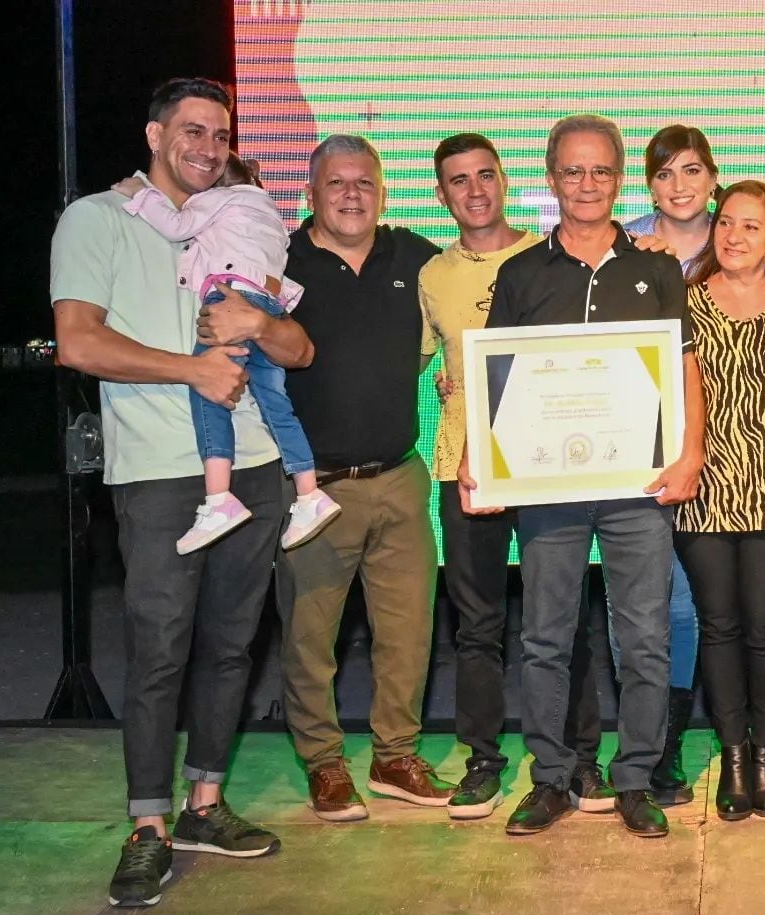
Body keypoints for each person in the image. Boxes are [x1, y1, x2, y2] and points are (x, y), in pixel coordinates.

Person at [51, 77, 304, 908]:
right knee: (159, 651)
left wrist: (258, 327)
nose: (208, 146)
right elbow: (79, 341)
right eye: (192, 131)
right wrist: (190, 368)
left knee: (232, 647)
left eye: (220, 134)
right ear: (156, 133)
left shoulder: (240, 216)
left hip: (257, 470)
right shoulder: (98, 218)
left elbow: (296, 344)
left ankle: (204, 804)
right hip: (161, 474)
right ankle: (148, 826)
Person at [460, 113, 705, 839]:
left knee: (646, 638)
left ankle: (634, 779)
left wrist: (690, 453)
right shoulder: (520, 274)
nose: (587, 184)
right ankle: (552, 778)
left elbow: (685, 371)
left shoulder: (657, 268)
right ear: (552, 178)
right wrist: (481, 454)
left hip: (640, 486)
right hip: (548, 488)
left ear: (618, 178)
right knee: (544, 636)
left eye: (600, 171)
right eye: (573, 170)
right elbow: (492, 381)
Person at [265, 134, 454, 821]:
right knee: (310, 638)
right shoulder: (279, 261)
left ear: (383, 192)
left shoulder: (415, 256)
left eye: (365, 184)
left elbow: (488, 276)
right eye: (337, 184)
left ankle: (396, 757)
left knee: (409, 633)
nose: (352, 195)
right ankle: (323, 762)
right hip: (315, 492)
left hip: (402, 476)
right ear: (310, 194)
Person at [419, 132, 608, 820]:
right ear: (442, 195)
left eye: (486, 176)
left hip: (546, 467)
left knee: (561, 623)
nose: (475, 190)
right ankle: (483, 761)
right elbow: (407, 357)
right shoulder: (432, 275)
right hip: (461, 467)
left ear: (506, 181)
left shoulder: (550, 255)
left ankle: (579, 758)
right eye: (459, 181)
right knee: (477, 626)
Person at [111, 153, 340, 555]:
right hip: (266, 303)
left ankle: (219, 499)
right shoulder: (269, 212)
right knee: (276, 404)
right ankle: (309, 494)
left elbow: (175, 224)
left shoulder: (223, 198)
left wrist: (140, 195)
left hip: (232, 299)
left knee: (209, 390)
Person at [674, 181, 765, 820]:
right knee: (719, 624)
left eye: (751, 227)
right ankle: (733, 754)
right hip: (703, 489)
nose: (733, 236)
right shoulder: (683, 304)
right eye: (726, 223)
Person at [613, 124, 722, 805]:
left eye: (691, 170)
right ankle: (651, 746)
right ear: (647, 184)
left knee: (701, 612)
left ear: (714, 175)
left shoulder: (746, 239)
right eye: (663, 174)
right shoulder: (619, 244)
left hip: (729, 451)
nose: (677, 185)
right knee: (645, 608)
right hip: (636, 447)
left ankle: (691, 741)